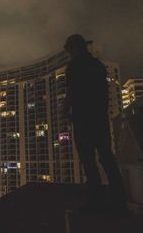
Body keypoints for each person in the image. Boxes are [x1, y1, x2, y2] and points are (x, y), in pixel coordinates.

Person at [63, 34, 129, 216]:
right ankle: (119, 202)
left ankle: (96, 203)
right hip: (100, 120)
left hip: (83, 121)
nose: (69, 54)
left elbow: (71, 92)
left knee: (89, 163)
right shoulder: (97, 66)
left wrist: (63, 112)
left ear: (75, 48)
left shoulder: (75, 66)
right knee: (107, 158)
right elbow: (103, 93)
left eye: (70, 50)